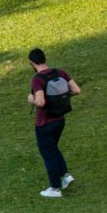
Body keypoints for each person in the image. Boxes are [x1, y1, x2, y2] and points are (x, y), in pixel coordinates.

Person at [27, 48, 80, 198]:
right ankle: (65, 175)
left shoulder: (37, 79)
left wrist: (31, 99)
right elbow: (76, 90)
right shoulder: (60, 72)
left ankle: (55, 188)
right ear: (44, 58)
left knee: (48, 153)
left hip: (44, 123)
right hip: (60, 120)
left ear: (32, 63)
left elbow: (40, 101)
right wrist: (60, 98)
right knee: (53, 148)